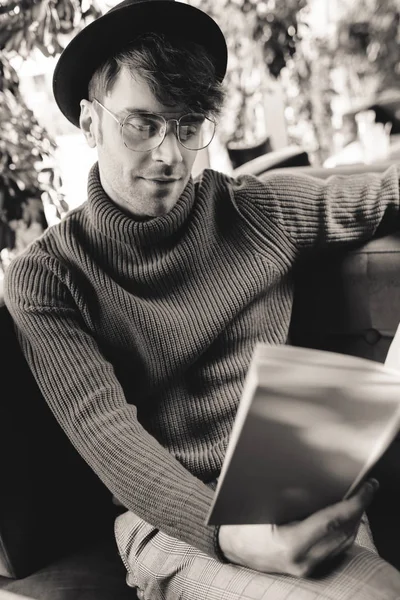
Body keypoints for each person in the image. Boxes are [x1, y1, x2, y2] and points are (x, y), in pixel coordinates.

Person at [4, 0, 400, 598]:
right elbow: (108, 435)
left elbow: (379, 196)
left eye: (187, 125)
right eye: (143, 123)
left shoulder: (254, 209)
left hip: (296, 486)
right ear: (90, 124)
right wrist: (235, 537)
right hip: (171, 525)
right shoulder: (49, 276)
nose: (170, 154)